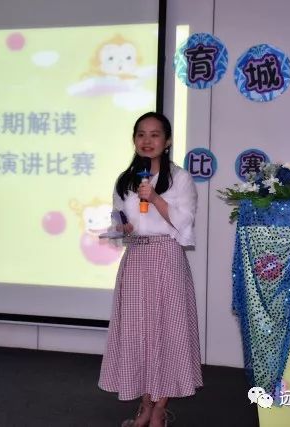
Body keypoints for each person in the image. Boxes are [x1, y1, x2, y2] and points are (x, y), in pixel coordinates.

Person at [98, 112, 202, 427]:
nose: (147, 141)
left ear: (167, 141)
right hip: (135, 260)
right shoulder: (125, 180)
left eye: (155, 135)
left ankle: (160, 409)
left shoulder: (180, 178)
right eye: (141, 134)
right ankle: (145, 405)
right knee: (138, 333)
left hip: (167, 257)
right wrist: (121, 227)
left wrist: (154, 198)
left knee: (167, 331)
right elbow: (120, 219)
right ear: (134, 140)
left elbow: (184, 222)